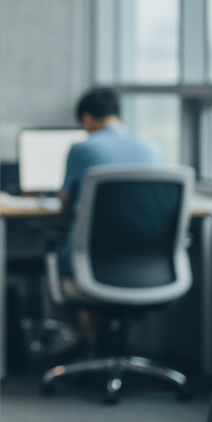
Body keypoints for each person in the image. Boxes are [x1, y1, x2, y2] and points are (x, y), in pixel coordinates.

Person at [56, 87, 163, 286]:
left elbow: (66, 204)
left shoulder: (82, 149)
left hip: (93, 259)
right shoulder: (153, 148)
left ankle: (83, 316)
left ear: (87, 119)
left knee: (63, 267)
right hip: (146, 261)